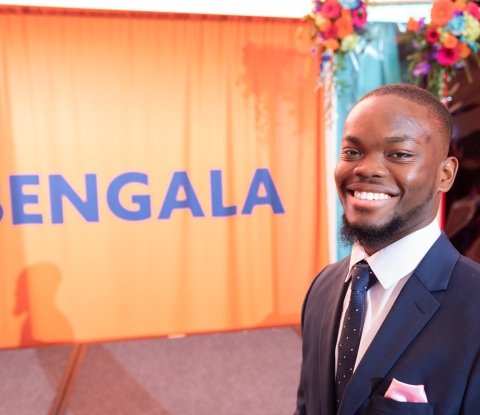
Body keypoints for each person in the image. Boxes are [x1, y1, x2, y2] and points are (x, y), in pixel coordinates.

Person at [294, 84, 480, 415]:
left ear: (445, 174)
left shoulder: (475, 307)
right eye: (352, 152)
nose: (365, 168)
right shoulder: (322, 288)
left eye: (398, 154)